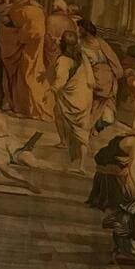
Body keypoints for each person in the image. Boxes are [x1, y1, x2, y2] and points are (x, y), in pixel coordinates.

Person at [50, 31, 93, 172]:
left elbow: (61, 80)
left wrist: (51, 89)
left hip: (71, 97)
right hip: (84, 96)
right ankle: (82, 165)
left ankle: (63, 142)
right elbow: (90, 80)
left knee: (58, 113)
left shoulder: (64, 60)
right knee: (82, 128)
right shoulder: (82, 57)